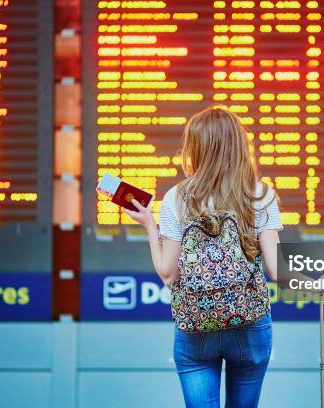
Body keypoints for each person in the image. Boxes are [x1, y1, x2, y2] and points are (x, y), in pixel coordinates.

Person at [125, 105, 283, 408]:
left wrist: (149, 225)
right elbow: (276, 268)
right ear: (238, 145)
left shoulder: (177, 197)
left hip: (196, 324)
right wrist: (319, 276)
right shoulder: (259, 194)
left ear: (195, 148)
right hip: (249, 323)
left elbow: (168, 274)